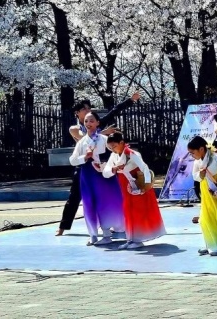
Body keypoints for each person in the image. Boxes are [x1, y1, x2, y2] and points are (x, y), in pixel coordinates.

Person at [56, 92, 139, 236]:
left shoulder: (98, 127)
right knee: (75, 196)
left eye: (89, 109)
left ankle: (112, 224)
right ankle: (63, 226)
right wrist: (103, 132)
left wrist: (130, 100)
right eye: (84, 110)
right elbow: (86, 138)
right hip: (84, 167)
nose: (88, 112)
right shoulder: (75, 128)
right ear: (77, 113)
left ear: (96, 121)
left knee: (108, 195)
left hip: (100, 167)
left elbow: (114, 112)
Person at [67, 112, 125, 246]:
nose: (88, 124)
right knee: (89, 204)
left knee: (105, 203)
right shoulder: (82, 142)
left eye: (91, 121)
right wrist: (85, 157)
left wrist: (106, 165)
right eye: (86, 121)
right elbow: (72, 160)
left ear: (98, 123)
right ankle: (93, 234)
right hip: (87, 176)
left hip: (103, 175)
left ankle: (107, 233)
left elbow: (116, 153)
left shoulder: (104, 139)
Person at [103, 131, 166, 249]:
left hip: (137, 185)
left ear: (121, 143)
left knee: (138, 211)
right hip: (125, 186)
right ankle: (130, 239)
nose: (112, 149)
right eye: (110, 147)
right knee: (128, 211)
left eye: (114, 146)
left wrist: (147, 185)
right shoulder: (113, 156)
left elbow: (144, 168)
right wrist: (114, 169)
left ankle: (138, 239)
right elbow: (106, 173)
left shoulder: (132, 154)